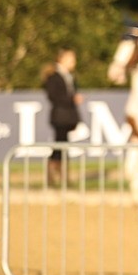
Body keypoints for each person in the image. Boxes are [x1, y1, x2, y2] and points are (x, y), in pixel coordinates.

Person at [42, 47, 83, 186]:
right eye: (71, 59)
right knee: (59, 145)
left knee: (63, 145)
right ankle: (55, 173)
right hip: (60, 116)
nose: (74, 62)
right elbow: (54, 96)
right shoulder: (54, 76)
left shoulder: (70, 76)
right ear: (62, 59)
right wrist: (71, 99)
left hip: (67, 116)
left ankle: (60, 174)